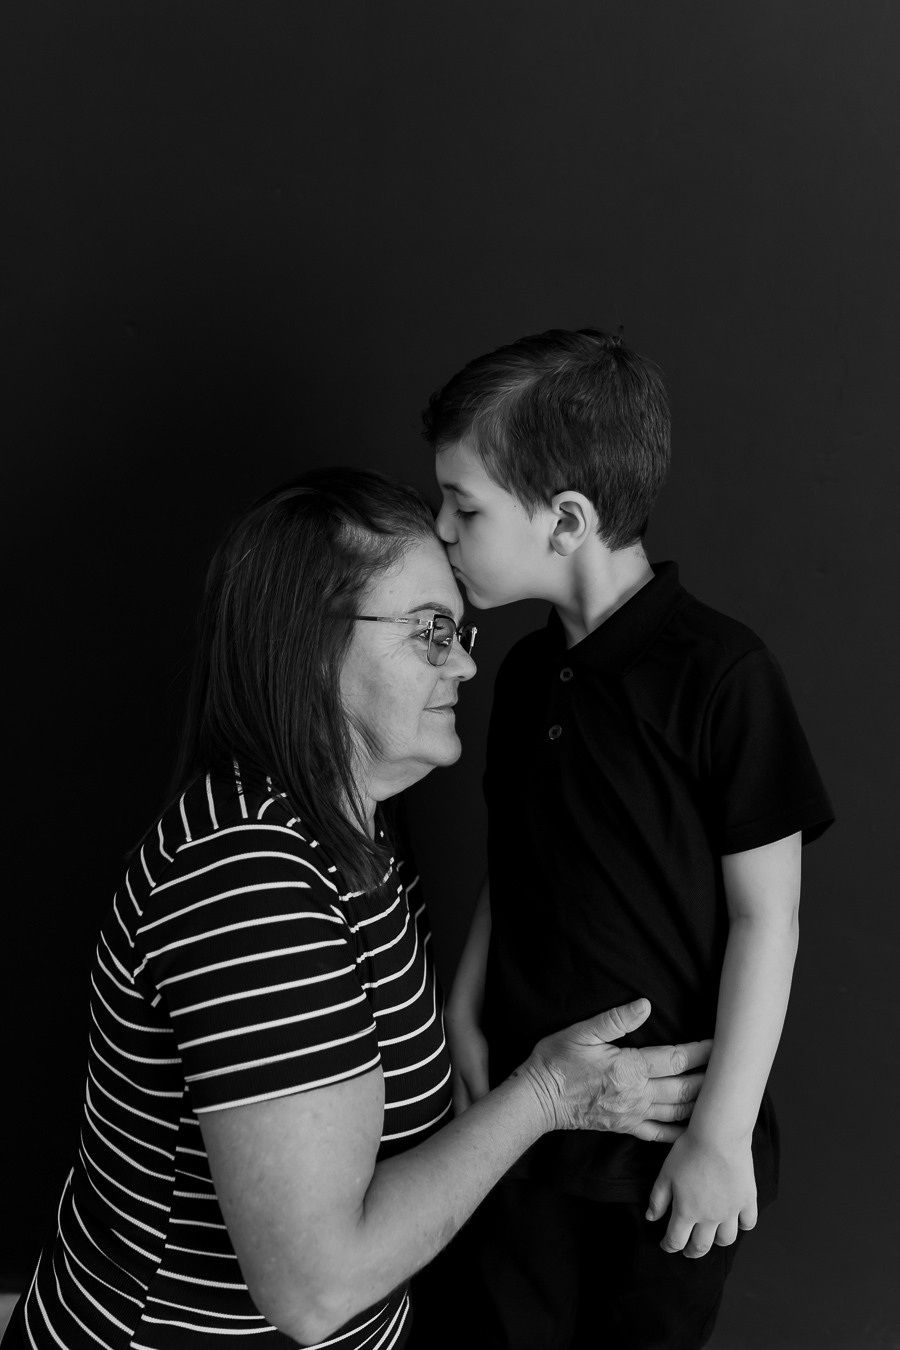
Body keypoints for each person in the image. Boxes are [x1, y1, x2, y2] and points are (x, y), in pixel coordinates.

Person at [3, 467, 712, 1350]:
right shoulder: (248, 877)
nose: (466, 662)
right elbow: (316, 1290)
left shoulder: (356, 834)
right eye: (431, 630)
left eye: (459, 630)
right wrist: (544, 1095)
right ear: (309, 644)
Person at [425, 329, 835, 1350]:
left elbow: (769, 920)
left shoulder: (722, 675)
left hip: (666, 1145)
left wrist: (721, 1135)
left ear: (566, 520)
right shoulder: (520, 677)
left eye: (464, 508)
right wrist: (464, 1007)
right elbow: (518, 859)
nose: (441, 531)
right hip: (523, 1125)